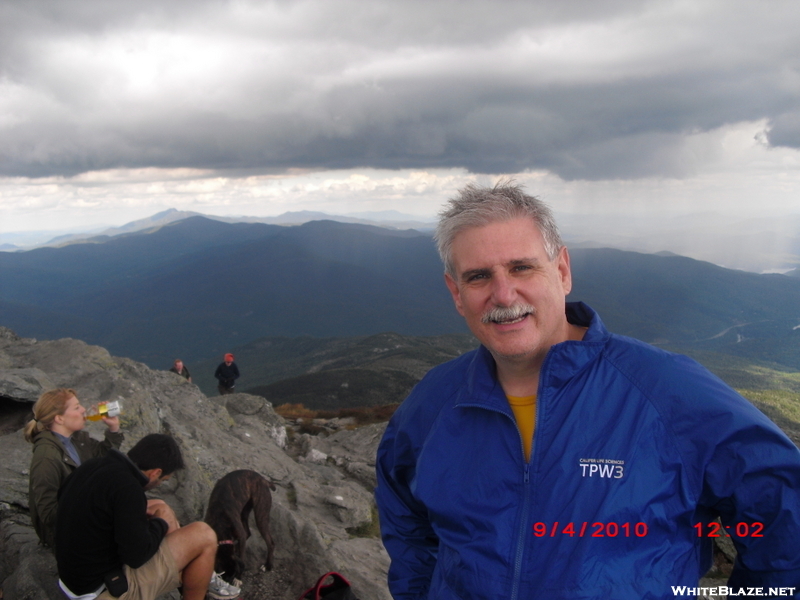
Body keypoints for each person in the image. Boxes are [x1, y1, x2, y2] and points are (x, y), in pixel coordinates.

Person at [375, 182, 800, 599]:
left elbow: (781, 514)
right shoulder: (434, 402)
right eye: (479, 276)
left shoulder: (666, 392)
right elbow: (404, 518)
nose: (503, 294)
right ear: (456, 293)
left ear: (562, 271)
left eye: (522, 267)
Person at [55, 433, 241, 600]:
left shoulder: (92, 466)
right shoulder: (128, 488)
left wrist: (155, 516)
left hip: (73, 578)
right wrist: (160, 523)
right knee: (205, 535)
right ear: (156, 473)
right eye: (163, 480)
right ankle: (199, 577)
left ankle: (198, 574)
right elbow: (136, 556)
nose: (160, 483)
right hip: (102, 590)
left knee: (160, 505)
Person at [24, 388, 123, 548]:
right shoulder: (46, 457)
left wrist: (113, 428)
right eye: (77, 407)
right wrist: (90, 502)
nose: (84, 409)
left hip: (86, 519)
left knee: (152, 509)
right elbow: (49, 515)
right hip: (67, 537)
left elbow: (103, 459)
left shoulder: (75, 440)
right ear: (59, 419)